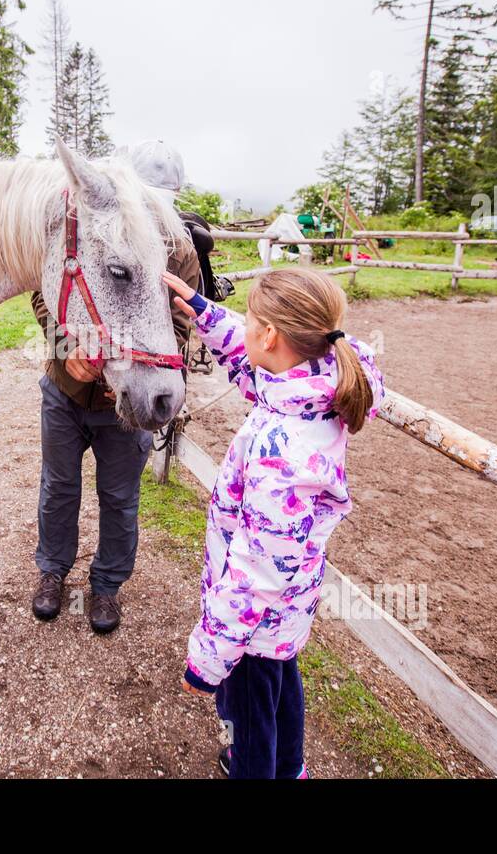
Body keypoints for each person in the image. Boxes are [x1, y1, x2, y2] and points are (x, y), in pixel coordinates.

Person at [165, 266, 385, 779]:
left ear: (270, 336)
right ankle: (291, 769)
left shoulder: (281, 450)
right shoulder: (314, 385)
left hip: (252, 620)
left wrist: (209, 656)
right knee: (280, 688)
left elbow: (257, 569)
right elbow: (253, 358)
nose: (242, 329)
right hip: (285, 611)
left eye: (250, 323)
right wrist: (201, 310)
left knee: (250, 721)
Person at [29, 139, 201, 634]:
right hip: (65, 389)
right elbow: (46, 296)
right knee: (58, 487)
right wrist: (66, 347)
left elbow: (178, 324)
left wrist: (124, 368)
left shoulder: (181, 251)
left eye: (162, 201)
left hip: (129, 402)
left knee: (120, 496)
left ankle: (106, 586)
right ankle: (52, 571)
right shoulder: (91, 231)